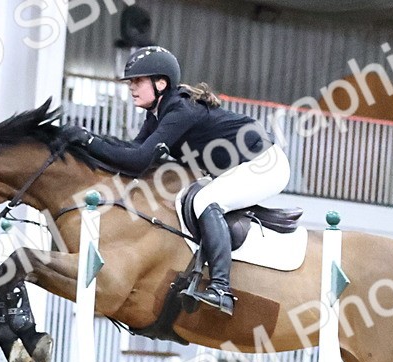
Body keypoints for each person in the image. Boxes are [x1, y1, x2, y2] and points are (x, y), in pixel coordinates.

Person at [62, 46, 290, 315]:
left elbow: (135, 161)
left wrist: (89, 141)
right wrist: (91, 142)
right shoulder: (157, 113)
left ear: (161, 83)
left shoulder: (180, 111)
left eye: (138, 81)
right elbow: (135, 156)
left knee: (206, 200)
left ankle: (221, 289)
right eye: (131, 82)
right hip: (240, 167)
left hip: (265, 164)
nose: (132, 88)